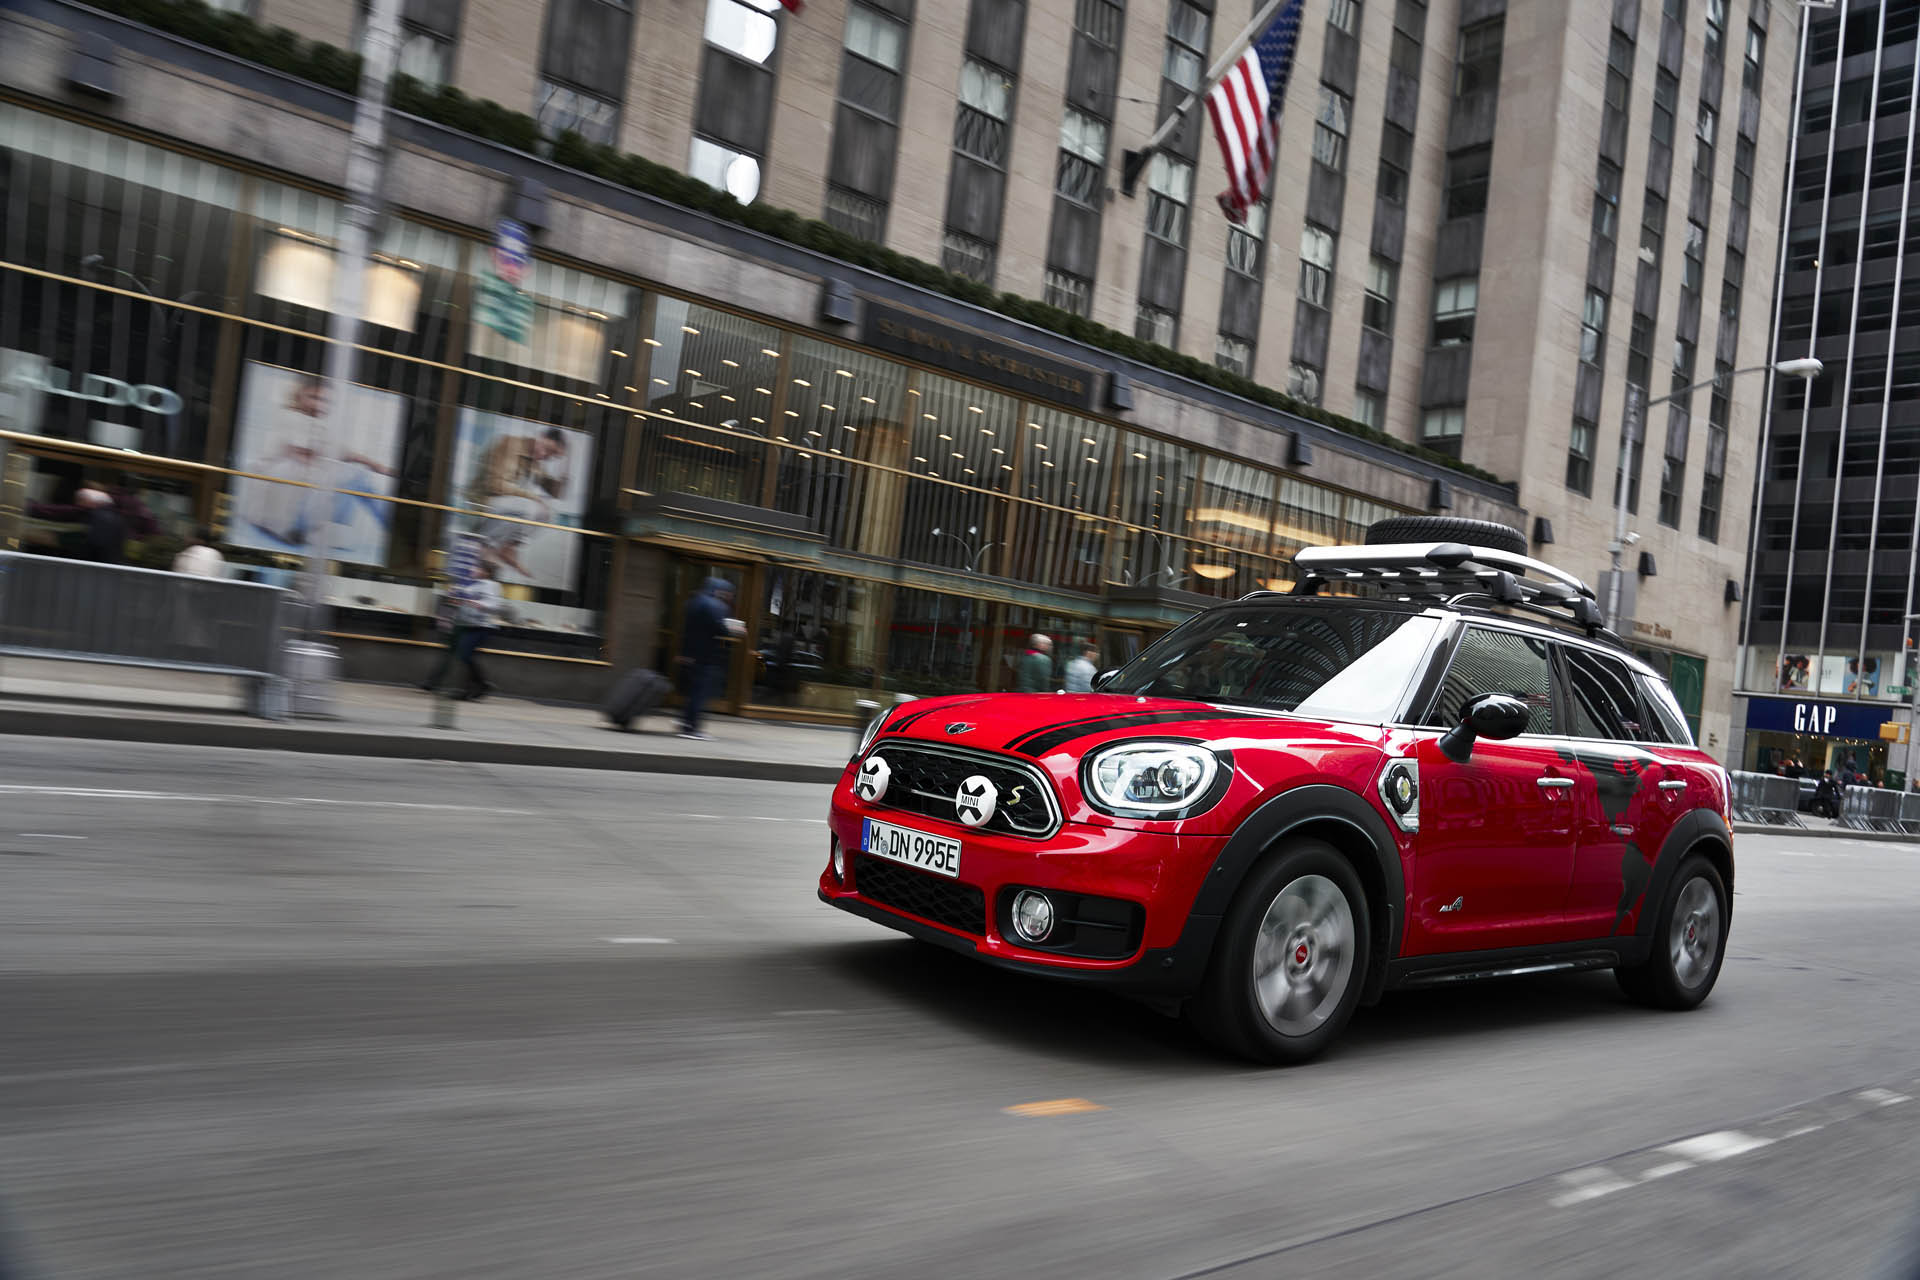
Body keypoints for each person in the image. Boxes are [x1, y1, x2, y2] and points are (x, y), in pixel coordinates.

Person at [467, 425, 572, 581]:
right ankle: (486, 545)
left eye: (551, 456)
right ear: (541, 437)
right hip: (481, 499)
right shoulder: (510, 444)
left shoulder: (534, 461)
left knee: (546, 513)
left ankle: (509, 547)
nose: (545, 456)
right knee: (531, 507)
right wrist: (533, 498)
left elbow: (554, 491)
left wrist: (566, 466)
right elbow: (495, 485)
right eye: (548, 450)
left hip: (499, 505)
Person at [422, 561, 504, 700]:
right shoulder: (475, 584)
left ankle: (478, 685)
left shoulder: (490, 584)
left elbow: (495, 604)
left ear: (486, 572)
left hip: (481, 626)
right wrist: (457, 601)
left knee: (465, 655)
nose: (474, 569)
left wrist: (478, 604)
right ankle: (475, 687)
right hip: (468, 625)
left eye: (477, 567)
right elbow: (464, 601)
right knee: (464, 655)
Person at [678, 576, 738, 740]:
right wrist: (735, 631)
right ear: (719, 591)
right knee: (700, 693)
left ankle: (685, 724)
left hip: (691, 653)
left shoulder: (694, 601)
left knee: (693, 692)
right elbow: (721, 628)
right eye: (727, 593)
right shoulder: (713, 605)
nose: (728, 597)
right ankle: (692, 728)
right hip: (705, 656)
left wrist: (684, 653)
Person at [75, 487, 127, 564]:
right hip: (111, 562)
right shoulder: (118, 518)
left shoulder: (96, 516)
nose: (79, 504)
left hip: (96, 562)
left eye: (81, 501)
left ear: (91, 502)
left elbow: (94, 543)